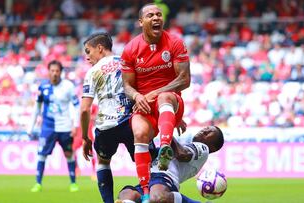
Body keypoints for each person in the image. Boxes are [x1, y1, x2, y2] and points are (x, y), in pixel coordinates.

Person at [121, 3, 191, 202]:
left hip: (171, 103)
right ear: (141, 22)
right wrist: (137, 96)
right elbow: (127, 85)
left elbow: (185, 79)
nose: (156, 18)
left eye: (159, 14)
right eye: (150, 15)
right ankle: (144, 193)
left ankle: (165, 149)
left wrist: (152, 93)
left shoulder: (175, 43)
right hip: (144, 106)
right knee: (139, 132)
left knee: (164, 97)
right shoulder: (131, 49)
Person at [80, 32, 135, 203]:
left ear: (100, 48)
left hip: (105, 127)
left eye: (88, 52)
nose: (87, 57)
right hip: (130, 122)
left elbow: (84, 110)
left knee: (103, 162)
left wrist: (85, 137)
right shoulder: (126, 62)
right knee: (148, 161)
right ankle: (150, 196)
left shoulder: (93, 72)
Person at [115, 126, 224, 203]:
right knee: (127, 194)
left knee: (157, 198)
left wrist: (166, 129)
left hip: (165, 176)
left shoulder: (203, 148)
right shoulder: (187, 143)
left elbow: (182, 154)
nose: (204, 130)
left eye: (208, 133)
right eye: (205, 128)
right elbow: (157, 153)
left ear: (213, 147)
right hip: (149, 177)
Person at [27, 60, 80, 192]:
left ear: (61, 72)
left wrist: (75, 124)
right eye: (52, 71)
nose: (55, 73)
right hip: (48, 127)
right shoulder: (43, 88)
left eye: (57, 71)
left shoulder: (68, 86)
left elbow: (76, 106)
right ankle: (38, 183)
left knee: (69, 153)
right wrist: (30, 127)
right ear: (48, 72)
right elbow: (36, 109)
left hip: (65, 127)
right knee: (41, 154)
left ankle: (73, 183)